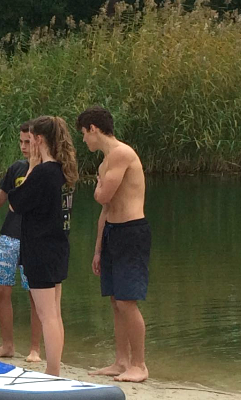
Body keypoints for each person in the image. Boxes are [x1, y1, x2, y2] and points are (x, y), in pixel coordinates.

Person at [77, 106, 150, 383]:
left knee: (126, 300)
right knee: (115, 299)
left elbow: (102, 195)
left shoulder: (121, 153)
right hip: (112, 231)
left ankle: (139, 365)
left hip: (132, 231)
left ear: (93, 129)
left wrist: (97, 188)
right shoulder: (104, 164)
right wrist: (97, 249)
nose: (84, 139)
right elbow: (105, 209)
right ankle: (121, 361)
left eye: (84, 133)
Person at [7, 116, 78, 376]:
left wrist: (32, 168)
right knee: (54, 313)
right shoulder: (63, 170)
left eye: (31, 139)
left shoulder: (43, 172)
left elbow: (15, 203)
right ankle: (54, 367)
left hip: (40, 248)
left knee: (47, 314)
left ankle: (53, 370)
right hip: (59, 245)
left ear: (39, 140)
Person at [0, 122, 43, 362]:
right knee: (1, 289)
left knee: (35, 293)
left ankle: (35, 348)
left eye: (28, 142)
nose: (24, 146)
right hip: (9, 233)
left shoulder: (47, 169)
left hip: (33, 237)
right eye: (21, 142)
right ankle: (7, 345)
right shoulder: (16, 168)